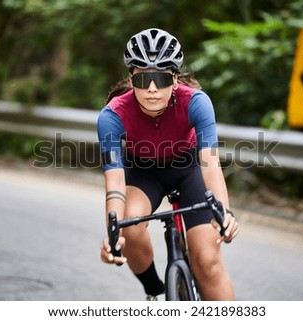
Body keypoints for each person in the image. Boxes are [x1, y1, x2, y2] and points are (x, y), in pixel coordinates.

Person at [97, 28, 239, 300]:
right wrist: (113, 235)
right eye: (143, 80)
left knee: (207, 262)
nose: (152, 89)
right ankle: (155, 289)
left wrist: (226, 213)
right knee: (129, 228)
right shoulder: (112, 115)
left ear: (174, 80)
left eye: (161, 78)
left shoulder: (197, 102)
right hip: (143, 171)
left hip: (189, 169)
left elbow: (210, 165)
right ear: (132, 79)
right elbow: (114, 182)